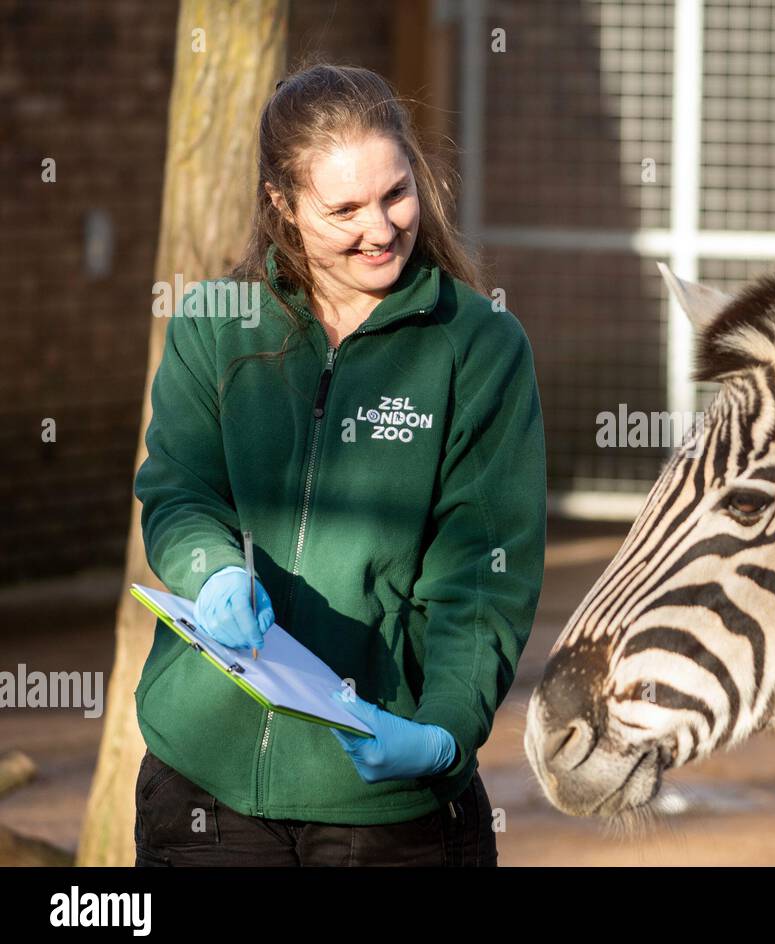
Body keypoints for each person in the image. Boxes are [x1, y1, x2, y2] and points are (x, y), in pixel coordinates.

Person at [132, 63, 547, 866]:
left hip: (383, 800)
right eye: (345, 209)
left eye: (396, 193)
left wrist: (440, 735)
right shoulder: (217, 327)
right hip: (205, 795)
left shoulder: (480, 349)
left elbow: (483, 576)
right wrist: (211, 571)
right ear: (283, 206)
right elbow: (179, 493)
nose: (382, 228)